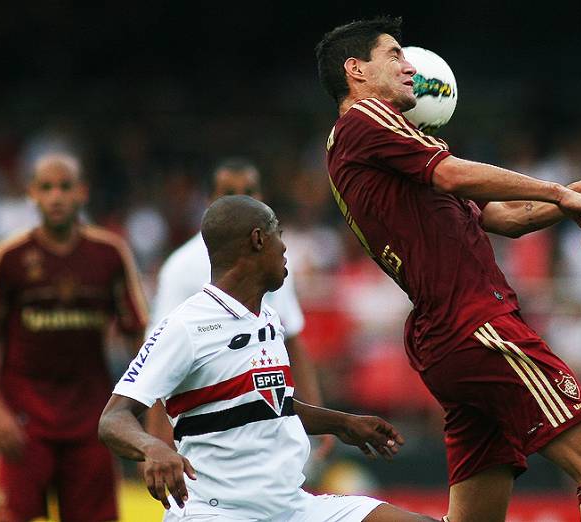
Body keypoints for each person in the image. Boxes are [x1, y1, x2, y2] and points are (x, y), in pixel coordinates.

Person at [315, 17, 581, 522]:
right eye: (395, 55)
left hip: (449, 337)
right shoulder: (364, 119)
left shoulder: (395, 150)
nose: (410, 66)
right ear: (355, 70)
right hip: (477, 326)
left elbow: (503, 218)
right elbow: (452, 174)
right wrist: (556, 189)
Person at [99, 195, 437, 522]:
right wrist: (152, 447)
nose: (285, 247)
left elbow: (272, 403)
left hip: (291, 507)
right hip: (218, 512)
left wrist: (344, 423)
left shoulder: (268, 319)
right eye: (279, 234)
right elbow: (113, 419)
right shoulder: (185, 326)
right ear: (258, 240)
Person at [0, 152, 149, 522]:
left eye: (65, 187)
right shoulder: (10, 257)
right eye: (46, 188)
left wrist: (140, 409)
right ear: (32, 194)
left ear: (82, 192)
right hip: (24, 419)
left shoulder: (109, 254)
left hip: (91, 419)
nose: (56, 197)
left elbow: (140, 335)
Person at [145, 159, 331, 455]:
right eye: (228, 192)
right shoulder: (182, 267)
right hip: (206, 418)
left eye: (249, 191)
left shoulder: (279, 260)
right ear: (209, 201)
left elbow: (292, 338)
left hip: (265, 416)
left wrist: (318, 417)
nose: (240, 200)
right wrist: (155, 442)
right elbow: (156, 355)